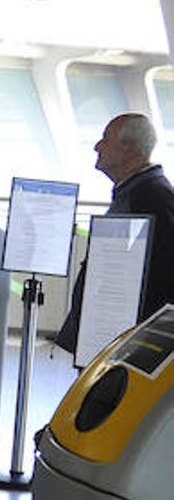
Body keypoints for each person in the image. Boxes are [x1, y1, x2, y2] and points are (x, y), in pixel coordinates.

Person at [57, 112, 174, 356]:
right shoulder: (137, 193)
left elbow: (159, 280)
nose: (97, 146)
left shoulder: (152, 199)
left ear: (130, 149)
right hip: (110, 337)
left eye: (105, 139)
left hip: (126, 345)